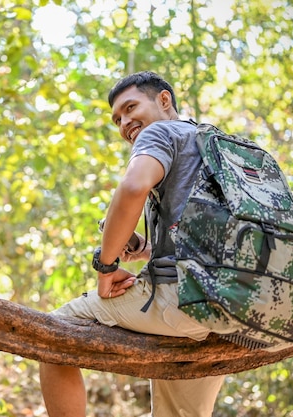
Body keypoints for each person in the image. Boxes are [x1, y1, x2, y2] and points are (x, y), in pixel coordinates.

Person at [39, 71, 227, 416]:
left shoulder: (159, 133)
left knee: (53, 335)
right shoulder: (211, 142)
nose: (125, 122)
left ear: (164, 100)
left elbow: (132, 188)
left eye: (130, 108)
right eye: (117, 119)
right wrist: (142, 248)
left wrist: (106, 267)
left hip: (186, 298)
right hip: (237, 304)